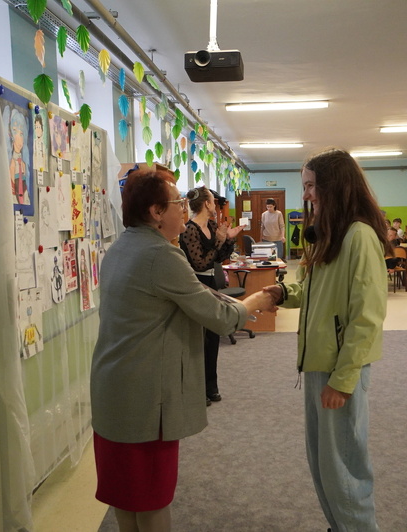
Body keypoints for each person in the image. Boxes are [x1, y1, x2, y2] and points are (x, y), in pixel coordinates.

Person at [90, 167, 274, 532]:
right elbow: (221, 317)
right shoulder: (161, 255)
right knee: (152, 499)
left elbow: (195, 295)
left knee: (125, 496)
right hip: (146, 398)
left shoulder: (121, 247)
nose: (184, 211)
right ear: (156, 212)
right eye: (178, 203)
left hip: (113, 389)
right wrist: (260, 299)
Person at [264, 148, 388, 532]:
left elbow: (367, 318)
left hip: (339, 369)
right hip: (317, 362)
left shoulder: (359, 237)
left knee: (344, 468)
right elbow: (311, 289)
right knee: (323, 463)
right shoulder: (327, 234)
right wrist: (284, 293)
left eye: (311, 186)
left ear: (334, 186)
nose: (306, 195)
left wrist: (344, 379)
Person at [180, 186, 243, 404]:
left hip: (212, 283)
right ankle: (198, 390)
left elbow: (219, 257)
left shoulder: (213, 226)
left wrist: (228, 239)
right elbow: (200, 262)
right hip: (196, 285)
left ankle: (211, 386)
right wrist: (219, 240)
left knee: (213, 336)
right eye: (213, 202)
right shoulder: (189, 229)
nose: (215, 205)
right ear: (206, 204)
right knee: (199, 338)